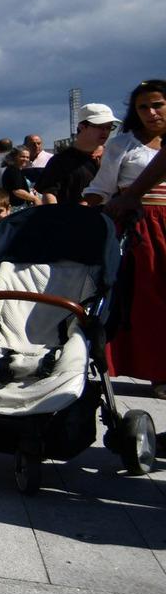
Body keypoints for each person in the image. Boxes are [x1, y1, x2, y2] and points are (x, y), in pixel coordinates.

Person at [85, 80, 166, 394]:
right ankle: (159, 370)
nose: (151, 112)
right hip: (141, 227)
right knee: (150, 299)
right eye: (143, 107)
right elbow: (101, 189)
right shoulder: (122, 145)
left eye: (157, 104)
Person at [40, 103, 117, 205]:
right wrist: (57, 217)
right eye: (99, 126)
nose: (105, 131)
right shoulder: (61, 160)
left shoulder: (113, 156)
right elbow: (49, 194)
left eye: (109, 127)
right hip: (73, 218)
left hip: (109, 219)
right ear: (82, 127)